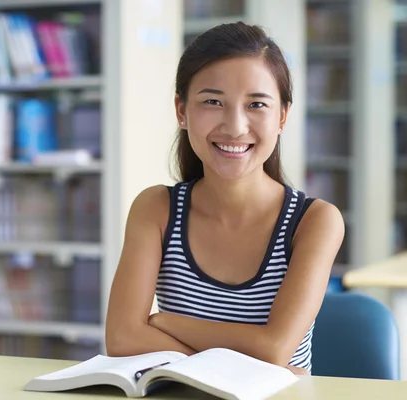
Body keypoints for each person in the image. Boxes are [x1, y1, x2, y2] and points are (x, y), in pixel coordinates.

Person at [104, 22, 345, 375]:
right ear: (181, 111)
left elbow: (275, 349)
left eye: (256, 104)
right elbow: (122, 340)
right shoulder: (156, 209)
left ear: (282, 116)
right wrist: (253, 354)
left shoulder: (314, 221)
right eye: (212, 101)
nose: (234, 126)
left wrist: (166, 322)